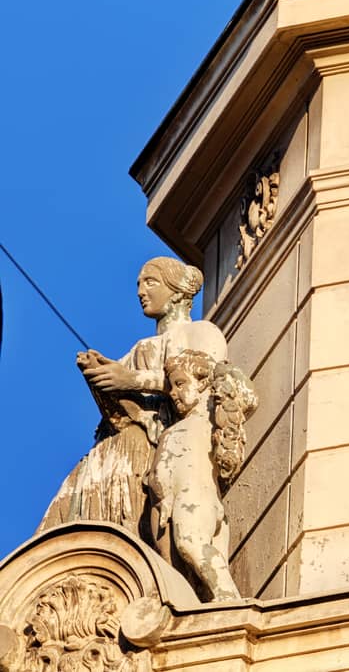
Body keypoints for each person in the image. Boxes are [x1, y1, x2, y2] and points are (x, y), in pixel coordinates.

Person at [39, 257, 225, 532]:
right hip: (115, 449)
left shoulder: (199, 332)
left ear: (177, 291)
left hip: (157, 449)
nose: (140, 291)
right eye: (139, 284)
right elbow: (119, 413)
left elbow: (202, 377)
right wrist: (100, 377)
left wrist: (130, 379)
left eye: (150, 282)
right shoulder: (139, 348)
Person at [146, 349, 256, 602]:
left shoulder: (204, 420)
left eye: (180, 383)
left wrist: (221, 373)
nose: (173, 393)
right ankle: (221, 603)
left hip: (193, 499)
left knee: (190, 544)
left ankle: (229, 600)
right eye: (171, 386)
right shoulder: (192, 425)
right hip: (193, 504)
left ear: (203, 382)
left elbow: (248, 398)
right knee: (197, 567)